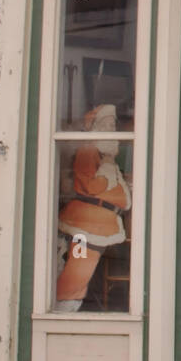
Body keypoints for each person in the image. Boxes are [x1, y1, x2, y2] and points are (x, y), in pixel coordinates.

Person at [55, 105, 131, 311]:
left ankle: (69, 307)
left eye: (113, 124)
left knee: (83, 273)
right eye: (105, 124)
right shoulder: (88, 151)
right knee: (77, 273)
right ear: (95, 127)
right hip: (85, 225)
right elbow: (89, 185)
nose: (111, 128)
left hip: (101, 225)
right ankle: (62, 312)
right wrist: (107, 179)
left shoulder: (107, 157)